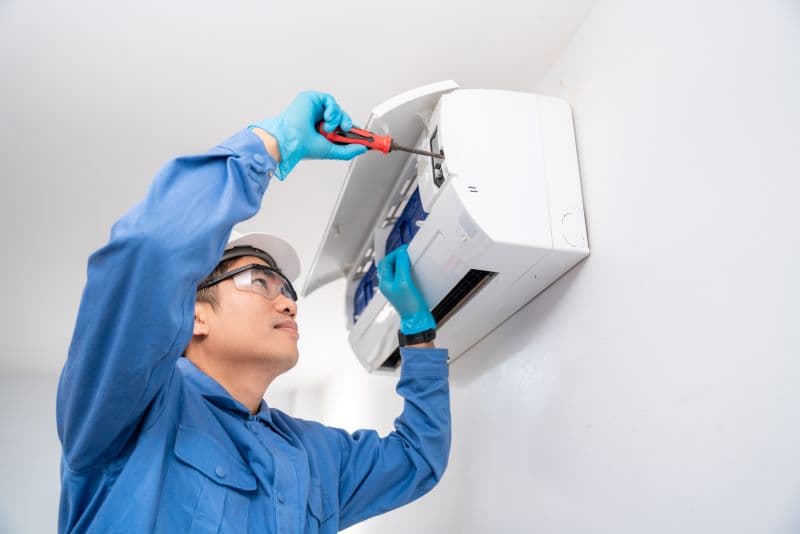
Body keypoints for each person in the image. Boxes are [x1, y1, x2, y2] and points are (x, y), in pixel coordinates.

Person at [56, 91, 450, 533]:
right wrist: (271, 143)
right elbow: (151, 248)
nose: (287, 301)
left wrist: (417, 333)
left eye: (286, 289)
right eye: (259, 281)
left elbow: (417, 459)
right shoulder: (130, 409)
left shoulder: (313, 455)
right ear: (195, 315)